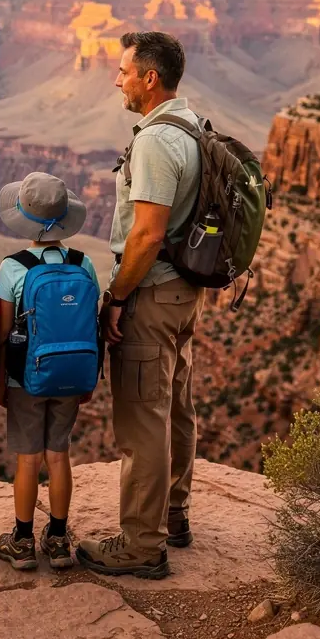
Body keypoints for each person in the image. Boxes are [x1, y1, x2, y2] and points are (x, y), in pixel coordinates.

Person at [76, 30, 205, 580]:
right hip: (185, 291)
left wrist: (117, 297)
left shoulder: (155, 141)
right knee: (175, 405)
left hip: (151, 293)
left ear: (150, 79)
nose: (116, 80)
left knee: (143, 420)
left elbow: (148, 235)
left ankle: (141, 545)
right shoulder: (193, 123)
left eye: (124, 71)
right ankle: (173, 515)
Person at [0, 172, 100, 571]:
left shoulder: (12, 267)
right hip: (73, 373)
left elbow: (4, 332)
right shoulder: (84, 262)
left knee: (28, 460)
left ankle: (22, 542)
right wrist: (91, 374)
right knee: (59, 455)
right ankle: (57, 539)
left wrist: (1, 381)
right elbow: (91, 324)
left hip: (26, 377)